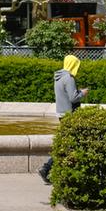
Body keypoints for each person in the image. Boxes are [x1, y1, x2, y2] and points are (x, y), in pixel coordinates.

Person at [39, 54, 85, 184]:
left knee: (68, 144)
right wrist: (83, 93)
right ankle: (47, 169)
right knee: (69, 145)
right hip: (69, 114)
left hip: (61, 113)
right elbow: (73, 98)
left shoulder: (58, 77)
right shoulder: (69, 78)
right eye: (77, 65)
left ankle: (51, 170)